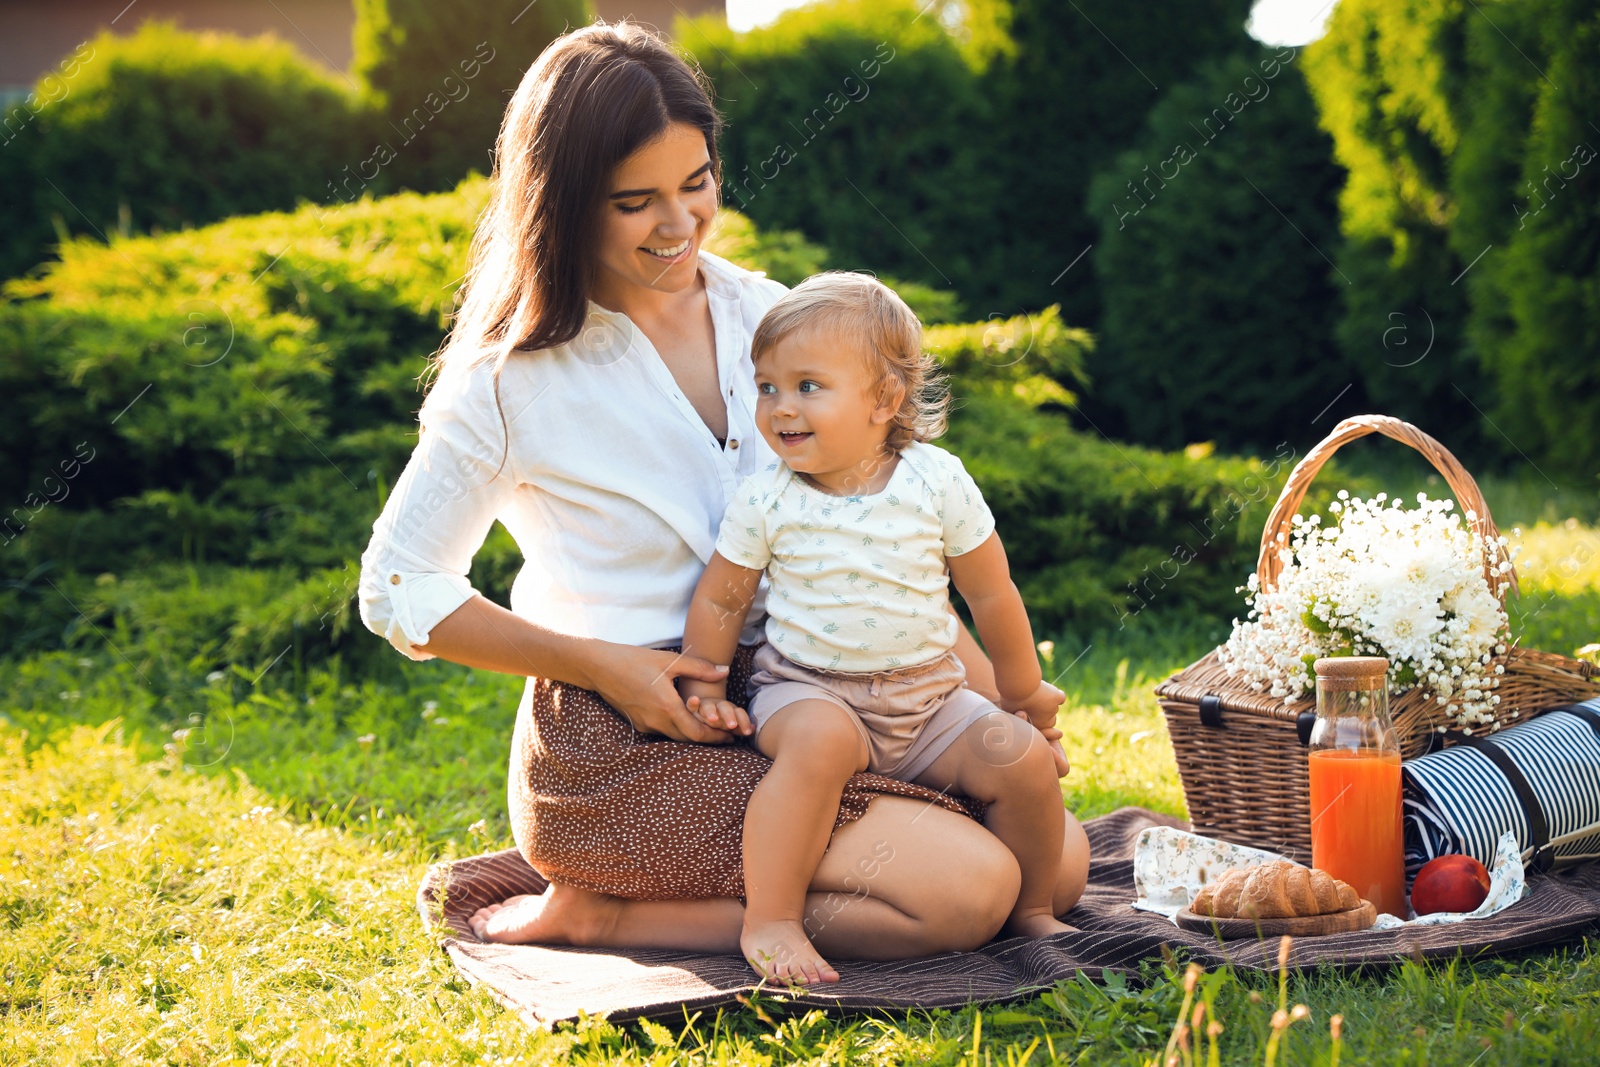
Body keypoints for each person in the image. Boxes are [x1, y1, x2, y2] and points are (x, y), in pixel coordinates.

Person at [356, 19, 1091, 962]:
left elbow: (871, 536)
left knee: (1055, 865)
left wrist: (997, 708)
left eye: (695, 184)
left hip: (807, 684)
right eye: (635, 202)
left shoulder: (767, 315)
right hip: (626, 735)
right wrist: (600, 664)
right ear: (564, 202)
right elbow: (396, 586)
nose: (679, 227)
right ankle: (602, 912)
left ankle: (802, 878)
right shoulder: (508, 381)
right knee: (971, 893)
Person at [677, 273, 1073, 984]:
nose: (780, 408)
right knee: (819, 745)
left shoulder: (936, 480)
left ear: (884, 400)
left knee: (1022, 760)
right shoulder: (766, 499)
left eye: (807, 386)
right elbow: (720, 601)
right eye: (766, 387)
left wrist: (1023, 692)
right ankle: (771, 916)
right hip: (808, 689)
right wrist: (705, 677)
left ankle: (1033, 908)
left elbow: (990, 591)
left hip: (929, 699)